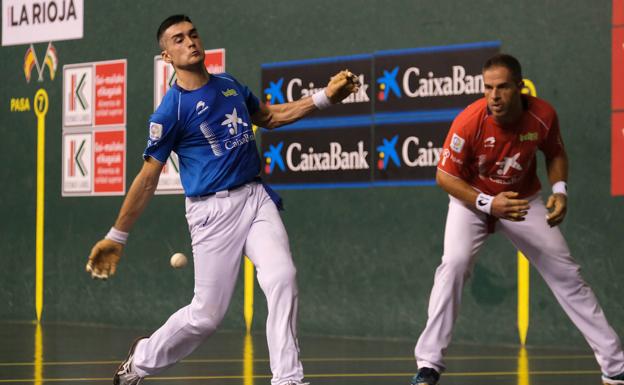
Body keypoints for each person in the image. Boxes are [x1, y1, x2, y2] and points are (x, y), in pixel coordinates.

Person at [85, 14, 360, 385]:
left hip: (255, 197)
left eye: (193, 34)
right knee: (206, 316)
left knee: (282, 277)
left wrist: (325, 98)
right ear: (167, 56)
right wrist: (117, 236)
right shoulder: (172, 111)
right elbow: (147, 178)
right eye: (178, 40)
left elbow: (269, 117)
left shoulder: (229, 84)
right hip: (211, 213)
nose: (190, 42)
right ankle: (141, 361)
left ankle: (288, 379)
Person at [410, 53, 624, 385]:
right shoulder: (469, 121)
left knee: (567, 274)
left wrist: (561, 190)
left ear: (519, 87)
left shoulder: (542, 115)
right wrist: (487, 203)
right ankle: (429, 364)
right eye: (488, 88)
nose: (494, 96)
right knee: (453, 263)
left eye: (502, 87)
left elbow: (554, 151)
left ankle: (615, 366)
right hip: (472, 201)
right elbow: (444, 177)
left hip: (523, 201)